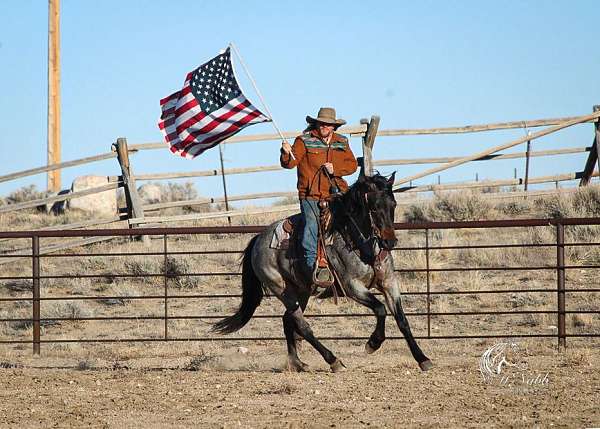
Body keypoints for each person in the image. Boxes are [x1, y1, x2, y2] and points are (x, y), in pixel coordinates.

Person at [280, 107, 358, 281]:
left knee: (354, 222)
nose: (324, 126)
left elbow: (352, 165)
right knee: (312, 227)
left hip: (338, 193)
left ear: (333, 127)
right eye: (321, 123)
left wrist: (336, 169)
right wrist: (285, 153)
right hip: (311, 194)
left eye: (328, 124)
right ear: (316, 123)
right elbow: (291, 163)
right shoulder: (303, 140)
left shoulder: (342, 141)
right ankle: (312, 267)